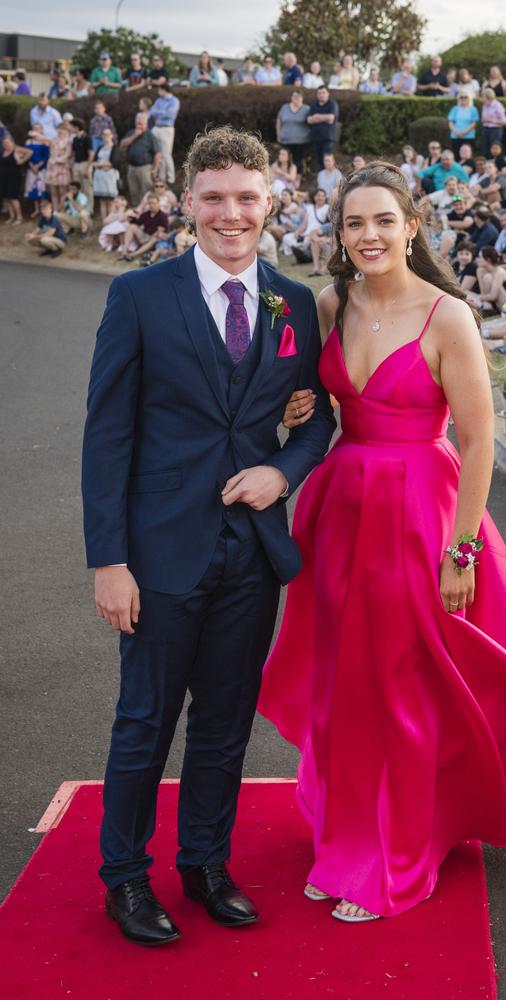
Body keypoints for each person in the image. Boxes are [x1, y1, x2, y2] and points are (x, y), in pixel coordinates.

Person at [258, 161, 506, 922]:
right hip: (340, 513)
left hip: (418, 515)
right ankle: (347, 836)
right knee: (345, 681)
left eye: (383, 221)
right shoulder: (331, 303)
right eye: (354, 223)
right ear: (340, 233)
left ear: (412, 227)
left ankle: (398, 856)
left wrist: (461, 550)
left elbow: (480, 438)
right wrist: (303, 401)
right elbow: (319, 404)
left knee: (400, 684)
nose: (369, 235)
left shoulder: (447, 315)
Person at [81, 125, 335, 946]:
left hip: (252, 549)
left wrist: (284, 471)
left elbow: (313, 418)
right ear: (188, 201)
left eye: (247, 199)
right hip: (158, 550)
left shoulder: (291, 302)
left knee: (226, 720)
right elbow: (107, 434)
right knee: (145, 719)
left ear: (271, 203)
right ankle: (124, 877)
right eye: (216, 198)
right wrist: (109, 560)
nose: (233, 214)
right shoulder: (139, 296)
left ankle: (204, 862)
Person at [120, 113, 162, 207]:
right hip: (132, 168)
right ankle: (137, 212)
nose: (139, 126)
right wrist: (134, 136)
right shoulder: (131, 132)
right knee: (134, 191)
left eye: (141, 124)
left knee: (146, 191)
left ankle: (146, 211)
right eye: (137, 123)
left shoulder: (150, 136)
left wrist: (155, 169)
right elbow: (122, 144)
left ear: (146, 124)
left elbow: (157, 154)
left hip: (145, 168)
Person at [148, 82, 180, 185]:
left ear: (164, 90)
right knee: (158, 154)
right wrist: (162, 112)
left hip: (167, 129)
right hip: (156, 128)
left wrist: (159, 112)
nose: (158, 92)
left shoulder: (174, 101)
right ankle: (162, 178)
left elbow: (170, 114)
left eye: (159, 89)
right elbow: (151, 112)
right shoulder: (158, 100)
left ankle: (171, 178)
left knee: (166, 154)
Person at [276, 90, 311, 174]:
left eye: (298, 97)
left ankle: (297, 179)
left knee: (298, 161)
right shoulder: (284, 107)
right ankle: (285, 179)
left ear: (302, 98)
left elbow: (311, 122)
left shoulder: (306, 109)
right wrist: (278, 135)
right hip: (285, 140)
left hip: (301, 141)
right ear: (291, 97)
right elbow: (279, 121)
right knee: (284, 160)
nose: (296, 98)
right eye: (294, 96)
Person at [0, 134, 33, 224]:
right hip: (3, 177)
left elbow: (30, 152)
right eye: (4, 143)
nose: (5, 144)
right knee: (7, 198)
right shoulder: (3, 151)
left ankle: (19, 217)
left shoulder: (16, 150)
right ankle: (12, 217)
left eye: (7, 142)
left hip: (13, 177)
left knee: (13, 197)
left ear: (12, 142)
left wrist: (22, 160)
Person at [89, 127, 120, 222]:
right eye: (104, 134)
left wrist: (98, 164)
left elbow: (113, 163)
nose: (105, 136)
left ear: (111, 136)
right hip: (100, 176)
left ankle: (111, 221)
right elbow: (94, 161)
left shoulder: (115, 148)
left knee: (110, 201)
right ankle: (104, 222)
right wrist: (98, 165)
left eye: (108, 134)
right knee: (102, 201)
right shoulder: (99, 148)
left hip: (109, 177)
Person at [307, 86, 339, 172]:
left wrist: (316, 116)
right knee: (319, 162)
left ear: (328, 94)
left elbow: (331, 118)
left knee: (328, 161)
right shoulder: (314, 105)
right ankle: (321, 183)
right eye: (319, 93)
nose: (321, 95)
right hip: (316, 138)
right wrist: (324, 118)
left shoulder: (332, 104)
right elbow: (309, 120)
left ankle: (331, 183)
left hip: (328, 138)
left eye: (323, 93)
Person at [43, 121, 72, 212]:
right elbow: (46, 143)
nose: (61, 131)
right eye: (59, 129)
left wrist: (56, 160)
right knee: (54, 192)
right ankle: (55, 211)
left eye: (63, 129)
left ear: (67, 131)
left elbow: (68, 154)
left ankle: (62, 211)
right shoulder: (54, 139)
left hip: (62, 168)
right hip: (52, 168)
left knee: (62, 191)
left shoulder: (69, 141)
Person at [447, 92, 480, 157]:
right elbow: (450, 122)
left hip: (468, 137)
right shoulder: (455, 109)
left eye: (465, 97)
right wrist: (456, 132)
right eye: (461, 97)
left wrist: (463, 133)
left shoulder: (473, 109)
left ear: (469, 98)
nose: (463, 99)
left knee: (467, 156)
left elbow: (474, 123)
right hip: (455, 136)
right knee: (456, 155)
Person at [480, 88, 506, 156]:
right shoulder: (484, 105)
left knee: (494, 150)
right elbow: (484, 118)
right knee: (485, 149)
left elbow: (504, 121)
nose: (482, 99)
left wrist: (492, 120)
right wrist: (483, 120)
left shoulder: (497, 105)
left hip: (495, 130)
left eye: (483, 97)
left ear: (489, 97)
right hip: (486, 128)